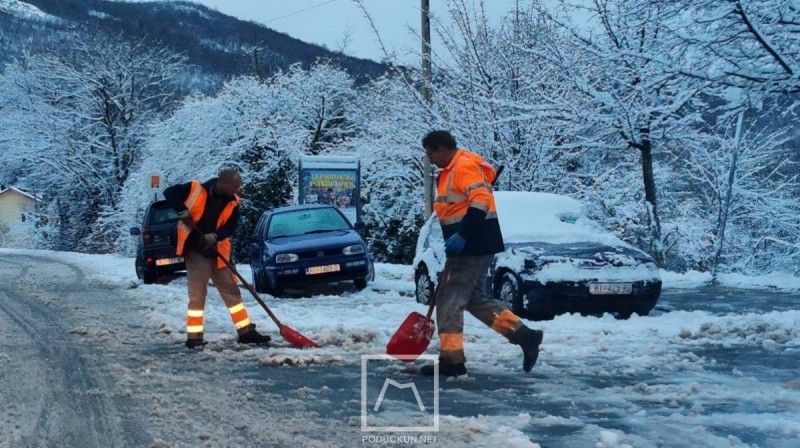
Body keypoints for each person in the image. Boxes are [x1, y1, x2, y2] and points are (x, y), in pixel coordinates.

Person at [420, 130, 543, 377]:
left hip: (470, 245)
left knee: (449, 300)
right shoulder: (453, 168)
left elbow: (481, 201)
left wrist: (463, 235)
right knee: (476, 300)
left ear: (442, 148)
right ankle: (524, 335)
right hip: (475, 244)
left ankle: (452, 362)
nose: (429, 158)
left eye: (430, 152)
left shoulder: (463, 166)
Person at [164, 168, 271, 349]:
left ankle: (245, 331)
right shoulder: (195, 188)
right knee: (198, 293)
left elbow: (230, 227)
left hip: (218, 250)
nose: (236, 191)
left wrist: (215, 236)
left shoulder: (233, 202)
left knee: (231, 290)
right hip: (195, 249)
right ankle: (194, 336)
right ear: (223, 183)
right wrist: (181, 210)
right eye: (234, 187)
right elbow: (169, 193)